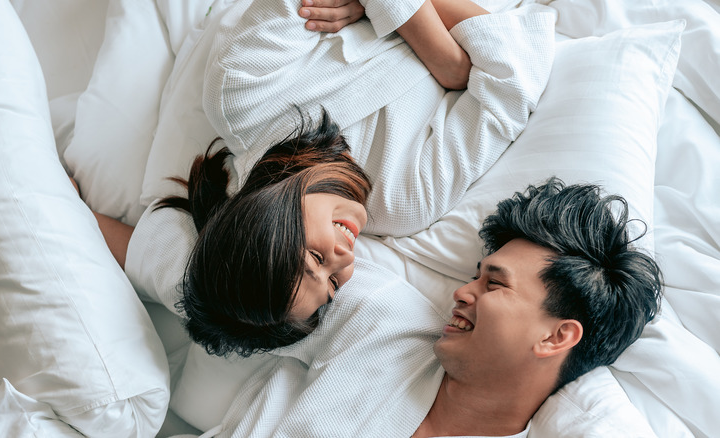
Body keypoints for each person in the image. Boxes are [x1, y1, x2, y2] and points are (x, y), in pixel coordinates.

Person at [101, 0, 554, 358]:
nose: (344, 260)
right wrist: (421, 30)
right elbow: (515, 75)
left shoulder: (243, 91)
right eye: (334, 284)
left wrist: (428, 39)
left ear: (266, 218)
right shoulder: (404, 201)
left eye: (314, 258)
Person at [211, 178, 663, 437]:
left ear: (556, 336)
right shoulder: (382, 315)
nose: (463, 293)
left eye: (494, 284)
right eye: (476, 276)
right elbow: (218, 274)